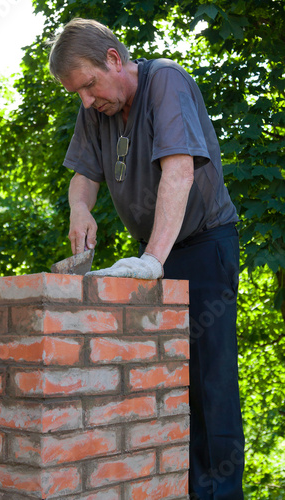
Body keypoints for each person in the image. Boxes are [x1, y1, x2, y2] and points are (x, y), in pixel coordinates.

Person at [48, 18, 245, 499]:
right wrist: (79, 208)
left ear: (114, 58)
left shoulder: (165, 81)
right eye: (78, 92)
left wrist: (153, 260)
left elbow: (179, 173)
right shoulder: (95, 106)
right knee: (163, 379)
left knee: (208, 382)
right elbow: (84, 175)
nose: (87, 101)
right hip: (156, 254)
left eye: (90, 85)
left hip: (203, 245)